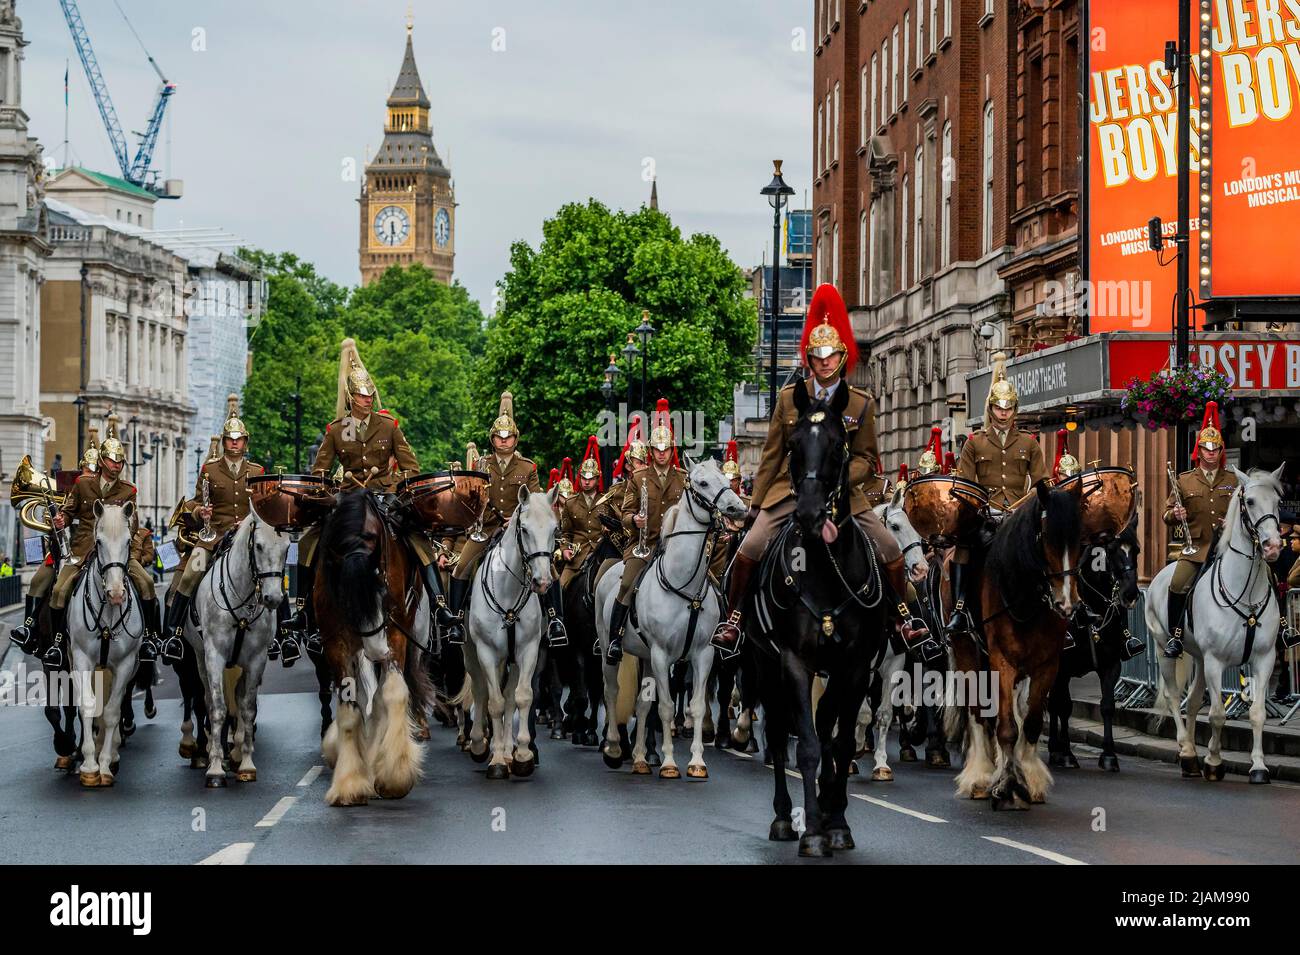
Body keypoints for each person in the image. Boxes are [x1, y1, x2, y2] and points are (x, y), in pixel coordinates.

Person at [710, 284, 931, 658]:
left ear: (841, 357)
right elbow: (771, 456)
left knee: (891, 546)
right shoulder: (789, 399)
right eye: (818, 356)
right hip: (791, 492)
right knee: (749, 547)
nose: (825, 363)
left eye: (831, 356)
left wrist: (841, 480)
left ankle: (901, 617)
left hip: (843, 495)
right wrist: (757, 505)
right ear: (809, 359)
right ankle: (734, 618)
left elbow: (866, 457)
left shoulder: (861, 404)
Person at [287, 339, 422, 654]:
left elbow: (411, 468)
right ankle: (303, 609)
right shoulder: (336, 430)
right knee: (309, 542)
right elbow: (320, 472)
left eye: (370, 394)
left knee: (418, 539)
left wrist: (390, 482)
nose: (368, 399)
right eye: (362, 395)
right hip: (349, 500)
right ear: (351, 398)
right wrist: (325, 491)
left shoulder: (388, 426)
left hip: (383, 497)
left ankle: (440, 605)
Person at [441, 391, 567, 648]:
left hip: (518, 529)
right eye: (499, 436)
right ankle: (456, 621)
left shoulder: (527, 468)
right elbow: (470, 499)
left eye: (508, 437)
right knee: (461, 567)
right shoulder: (481, 465)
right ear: (493, 439)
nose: (504, 440)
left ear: (515, 439)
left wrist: (518, 518)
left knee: (550, 571)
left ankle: (555, 621)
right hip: (487, 530)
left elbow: (535, 500)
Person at [161, 396, 274, 662]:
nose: (234, 443)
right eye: (230, 439)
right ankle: (174, 634)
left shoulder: (257, 471)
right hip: (215, 537)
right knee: (189, 575)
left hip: (247, 538)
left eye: (239, 439)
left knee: (272, 575)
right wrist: (202, 512)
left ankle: (281, 636)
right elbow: (197, 504)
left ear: (245, 442)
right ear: (224, 442)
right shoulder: (210, 469)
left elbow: (264, 507)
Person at [44, 413, 161, 666]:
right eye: (111, 460)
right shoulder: (84, 484)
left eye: (120, 461)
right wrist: (62, 518)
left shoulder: (128, 490)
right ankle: (56, 644)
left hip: (117, 551)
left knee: (148, 583)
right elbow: (70, 509)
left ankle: (151, 638)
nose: (116, 465)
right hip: (84, 548)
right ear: (101, 460)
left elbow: (134, 523)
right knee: (59, 590)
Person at [947, 351, 1047, 638]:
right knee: (965, 546)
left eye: (1009, 408)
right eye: (999, 408)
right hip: (985, 514)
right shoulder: (974, 443)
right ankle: (960, 607)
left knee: (1047, 551)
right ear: (990, 410)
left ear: (1015, 410)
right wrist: (976, 508)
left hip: (1018, 514)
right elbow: (965, 484)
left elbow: (1041, 482)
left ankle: (1055, 609)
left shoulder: (1028, 443)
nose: (1004, 413)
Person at [605, 399, 687, 664]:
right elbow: (626, 512)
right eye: (657, 449)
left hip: (676, 548)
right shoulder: (639, 478)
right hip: (645, 544)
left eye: (666, 449)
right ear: (651, 450)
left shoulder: (683, 478)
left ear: (671, 450)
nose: (662, 453)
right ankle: (615, 638)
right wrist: (634, 520)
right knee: (627, 583)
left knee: (711, 582)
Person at [1162, 402, 1238, 658]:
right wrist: (1176, 514)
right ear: (1199, 451)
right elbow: (1166, 514)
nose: (1211, 453)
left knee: (1267, 577)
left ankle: (1280, 628)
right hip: (1198, 548)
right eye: (1206, 448)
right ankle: (1175, 636)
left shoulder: (1233, 480)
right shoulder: (1184, 480)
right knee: (1177, 584)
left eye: (1215, 448)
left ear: (1220, 450)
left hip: (1229, 548)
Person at [557, 438, 608, 592]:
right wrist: (565, 549)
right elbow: (565, 533)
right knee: (559, 588)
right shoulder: (570, 503)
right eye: (584, 478)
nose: (587, 482)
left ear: (597, 479)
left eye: (591, 478)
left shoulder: (607, 501)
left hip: (602, 555)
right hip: (577, 557)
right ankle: (556, 617)